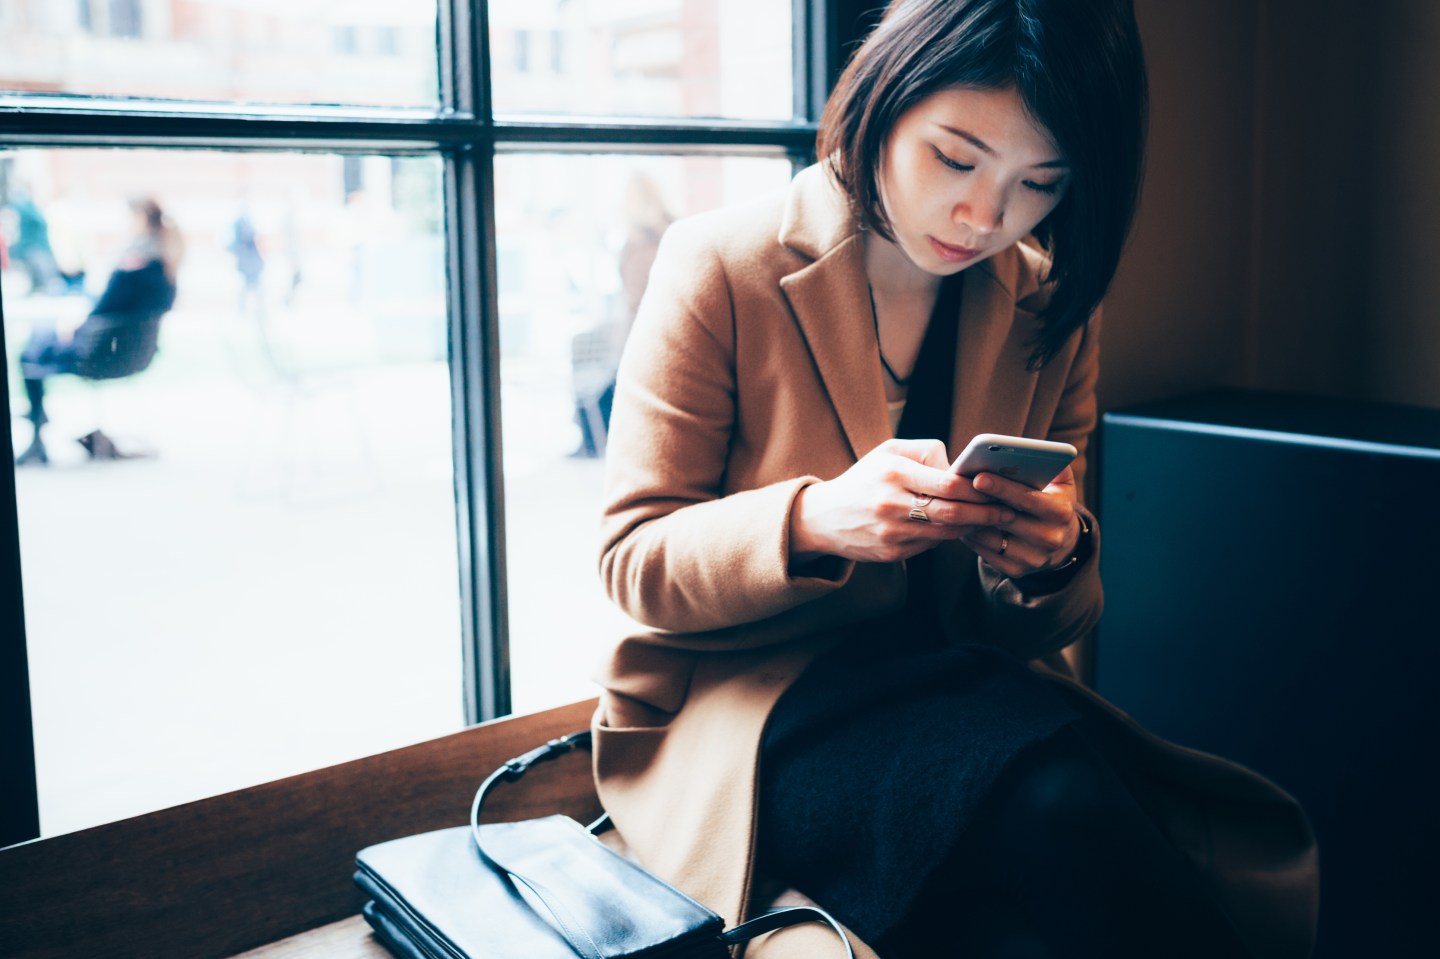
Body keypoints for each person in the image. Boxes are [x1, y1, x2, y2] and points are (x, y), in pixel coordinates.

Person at [591, 2, 1318, 958]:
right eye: (956, 158)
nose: (986, 216)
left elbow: (1053, 623)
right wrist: (815, 521)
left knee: (1057, 866)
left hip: (950, 686)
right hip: (751, 706)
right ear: (886, 96)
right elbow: (632, 559)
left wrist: (1053, 559)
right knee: (1061, 800)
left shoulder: (1049, 306)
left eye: (1040, 183)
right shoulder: (723, 265)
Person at [15, 196, 183, 466]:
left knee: (31, 352)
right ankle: (38, 421)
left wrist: (79, 325)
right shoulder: (165, 263)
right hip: (131, 352)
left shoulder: (136, 263)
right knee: (39, 344)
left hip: (101, 351)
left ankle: (37, 429)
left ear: (140, 218)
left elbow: (104, 307)